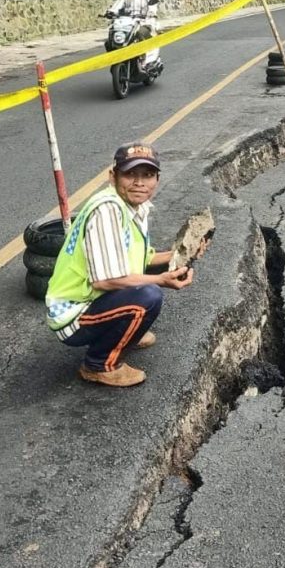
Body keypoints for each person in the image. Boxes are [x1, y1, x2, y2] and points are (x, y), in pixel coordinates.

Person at [45, 142, 200, 388]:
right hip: (73, 315)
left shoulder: (133, 206)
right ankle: (99, 365)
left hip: (93, 301)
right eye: (130, 174)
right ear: (112, 176)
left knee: (153, 282)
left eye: (147, 175)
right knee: (149, 295)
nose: (139, 182)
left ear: (157, 179)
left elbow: (143, 259)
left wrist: (181, 253)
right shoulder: (107, 210)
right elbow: (106, 280)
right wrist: (160, 280)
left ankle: (125, 333)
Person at [106, 0, 161, 72]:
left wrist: (151, 13)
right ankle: (114, 61)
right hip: (128, 22)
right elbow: (117, 5)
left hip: (144, 22)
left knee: (140, 34)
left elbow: (153, 6)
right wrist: (111, 12)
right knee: (111, 39)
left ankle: (143, 60)